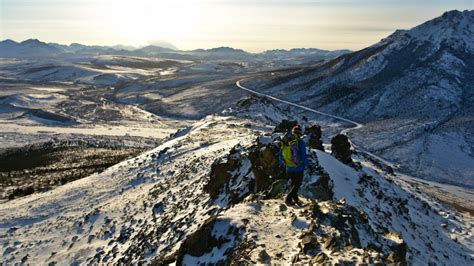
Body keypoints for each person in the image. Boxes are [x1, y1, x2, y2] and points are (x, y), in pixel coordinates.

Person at [280, 124, 308, 206]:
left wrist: (283, 163)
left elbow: (281, 153)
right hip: (298, 167)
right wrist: (306, 164)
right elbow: (303, 155)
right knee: (297, 183)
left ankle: (295, 197)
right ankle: (288, 199)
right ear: (300, 133)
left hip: (288, 166)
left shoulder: (286, 141)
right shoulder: (300, 142)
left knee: (293, 183)